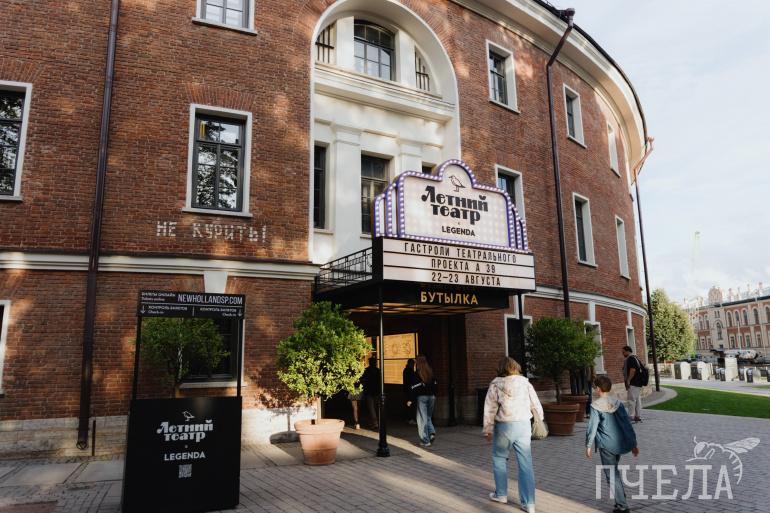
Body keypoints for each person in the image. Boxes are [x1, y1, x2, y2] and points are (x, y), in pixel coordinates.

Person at [483, 356, 542, 512]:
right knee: (526, 463)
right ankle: (529, 503)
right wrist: (539, 420)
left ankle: (501, 494)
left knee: (499, 458)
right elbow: (535, 404)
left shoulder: (495, 384)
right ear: (516, 367)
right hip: (523, 425)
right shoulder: (525, 383)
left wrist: (488, 429)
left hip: (504, 426)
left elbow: (489, 408)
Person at [585, 375, 640, 513]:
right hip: (618, 444)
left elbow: (592, 427)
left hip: (606, 446)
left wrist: (588, 445)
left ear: (598, 389)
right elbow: (626, 424)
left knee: (612, 475)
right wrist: (634, 444)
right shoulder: (618, 403)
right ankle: (620, 500)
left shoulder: (596, 406)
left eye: (595, 387)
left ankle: (622, 505)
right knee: (614, 472)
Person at [406, 355, 437, 447]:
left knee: (421, 420)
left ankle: (425, 441)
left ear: (418, 363)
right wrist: (434, 394)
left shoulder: (417, 373)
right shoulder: (430, 372)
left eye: (416, 362)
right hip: (432, 397)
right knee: (428, 417)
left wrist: (410, 399)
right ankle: (431, 433)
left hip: (422, 398)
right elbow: (435, 384)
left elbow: (414, 387)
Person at [622, 346, 643, 422]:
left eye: (623, 352)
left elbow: (633, 370)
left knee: (631, 400)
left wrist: (628, 380)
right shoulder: (635, 358)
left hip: (633, 382)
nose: (623, 353)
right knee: (637, 400)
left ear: (628, 351)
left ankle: (631, 416)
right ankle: (637, 416)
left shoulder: (631, 359)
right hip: (638, 382)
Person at [361, 356, 381, 430]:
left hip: (369, 391)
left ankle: (374, 423)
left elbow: (364, 380)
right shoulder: (378, 371)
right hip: (375, 391)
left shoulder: (367, 370)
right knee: (374, 408)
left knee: (371, 408)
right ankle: (375, 423)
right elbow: (380, 381)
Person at [402, 358, 416, 425]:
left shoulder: (405, 370)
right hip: (410, 390)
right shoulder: (410, 371)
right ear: (411, 364)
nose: (414, 365)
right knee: (410, 404)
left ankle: (408, 418)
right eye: (413, 364)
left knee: (408, 404)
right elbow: (411, 380)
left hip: (407, 389)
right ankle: (410, 418)